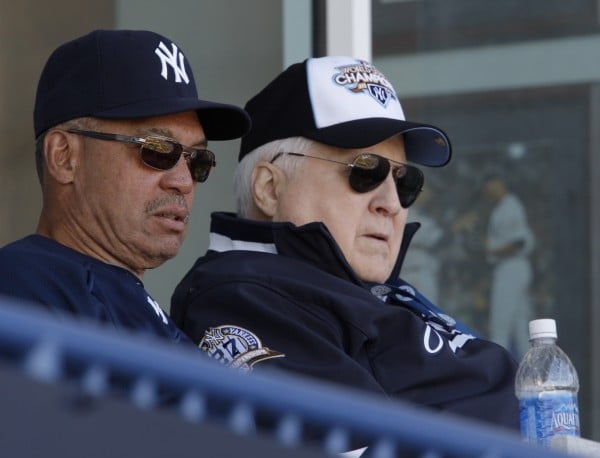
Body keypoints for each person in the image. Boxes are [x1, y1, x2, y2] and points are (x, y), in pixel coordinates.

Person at [171, 56, 519, 429]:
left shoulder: (366, 289)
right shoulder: (242, 298)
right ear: (270, 189)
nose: (392, 204)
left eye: (404, 181)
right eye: (365, 172)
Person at [0, 29, 250, 345]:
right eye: (158, 150)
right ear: (64, 157)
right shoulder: (23, 287)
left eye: (196, 159)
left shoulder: (124, 300)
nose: (183, 181)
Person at [483, 172, 535, 359]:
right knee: (520, 325)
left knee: (500, 325)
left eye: (490, 185)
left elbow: (518, 242)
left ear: (499, 183)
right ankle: (532, 372)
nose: (488, 190)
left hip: (511, 267)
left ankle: (498, 374)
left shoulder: (510, 206)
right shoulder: (502, 207)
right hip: (512, 268)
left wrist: (492, 251)